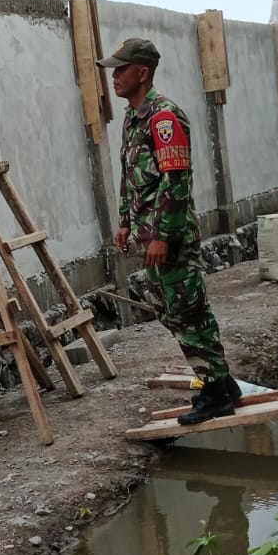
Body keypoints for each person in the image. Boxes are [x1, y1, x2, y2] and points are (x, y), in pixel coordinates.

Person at [99, 38, 241, 425]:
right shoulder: (133, 117)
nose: (114, 76)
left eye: (121, 69)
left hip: (170, 237)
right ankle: (222, 385)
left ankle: (215, 392)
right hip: (149, 234)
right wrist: (126, 220)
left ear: (142, 72)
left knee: (186, 312)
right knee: (173, 310)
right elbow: (131, 175)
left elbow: (175, 180)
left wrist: (163, 235)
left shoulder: (164, 118)